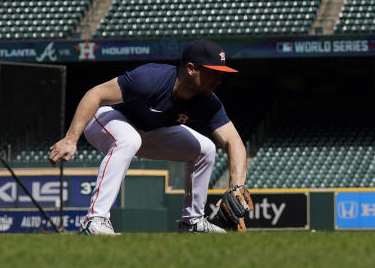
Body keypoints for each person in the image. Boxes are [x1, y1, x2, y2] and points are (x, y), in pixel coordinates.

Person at [48, 40, 247, 235]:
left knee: (206, 149)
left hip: (150, 130)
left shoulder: (208, 101)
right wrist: (71, 139)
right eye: (213, 72)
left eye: (220, 73)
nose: (219, 79)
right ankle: (95, 220)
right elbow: (95, 94)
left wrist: (236, 187)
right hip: (106, 117)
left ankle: (192, 223)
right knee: (129, 140)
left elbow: (234, 141)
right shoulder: (151, 78)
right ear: (191, 68)